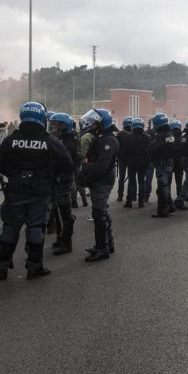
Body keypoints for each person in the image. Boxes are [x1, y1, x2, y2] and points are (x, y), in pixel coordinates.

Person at [0, 102, 74, 279]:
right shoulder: (50, 141)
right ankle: (34, 267)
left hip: (15, 190)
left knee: (10, 228)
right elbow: (67, 165)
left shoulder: (11, 139)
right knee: (36, 228)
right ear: (42, 119)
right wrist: (51, 175)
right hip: (41, 191)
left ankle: (1, 268)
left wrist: (15, 175)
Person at [79, 108, 119, 262]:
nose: (92, 125)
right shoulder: (102, 137)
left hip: (102, 180)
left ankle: (102, 248)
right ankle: (107, 244)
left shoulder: (108, 139)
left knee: (98, 214)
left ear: (102, 123)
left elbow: (101, 166)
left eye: (94, 122)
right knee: (101, 212)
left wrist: (86, 177)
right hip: (99, 179)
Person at [48, 112, 81, 255]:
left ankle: (66, 243)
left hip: (64, 180)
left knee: (64, 213)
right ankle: (61, 238)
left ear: (64, 126)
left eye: (56, 125)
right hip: (59, 180)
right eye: (52, 124)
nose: (53, 128)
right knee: (57, 212)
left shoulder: (69, 142)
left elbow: (64, 163)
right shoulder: (65, 139)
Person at [147, 112, 176, 218]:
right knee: (165, 187)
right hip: (168, 162)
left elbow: (151, 148)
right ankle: (171, 206)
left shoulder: (162, 136)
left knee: (163, 187)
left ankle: (163, 211)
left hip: (162, 164)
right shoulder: (170, 134)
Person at [123, 117, 150, 208]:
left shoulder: (128, 137)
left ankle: (129, 201)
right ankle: (141, 202)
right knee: (141, 181)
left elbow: (125, 152)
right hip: (143, 164)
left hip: (131, 163)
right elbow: (149, 151)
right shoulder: (147, 137)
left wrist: (127, 161)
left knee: (131, 181)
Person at [170, 119, 187, 209]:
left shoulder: (169, 137)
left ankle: (167, 201)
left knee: (168, 183)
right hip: (180, 163)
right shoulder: (183, 138)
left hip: (170, 162)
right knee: (179, 182)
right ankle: (179, 200)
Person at [115, 116, 133, 202]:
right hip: (130, 159)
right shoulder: (133, 135)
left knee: (121, 178)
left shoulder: (119, 135)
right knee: (131, 178)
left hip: (121, 159)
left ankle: (120, 196)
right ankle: (131, 196)